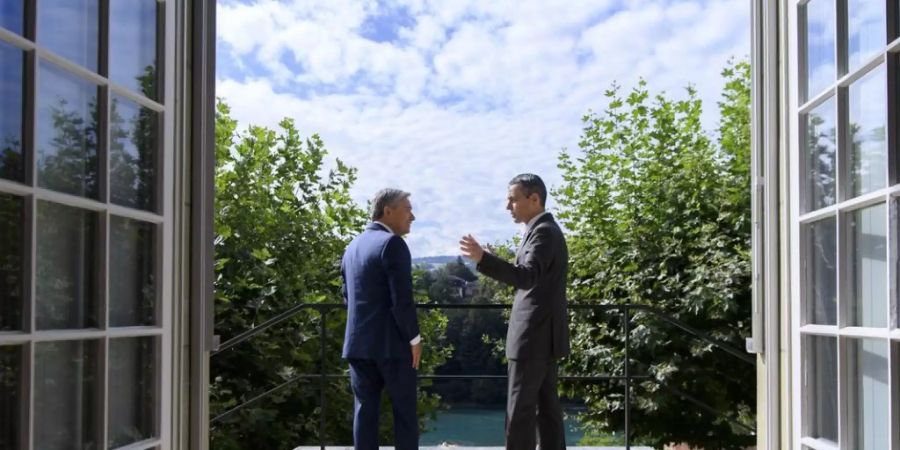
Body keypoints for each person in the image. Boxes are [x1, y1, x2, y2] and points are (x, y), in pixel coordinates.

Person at [459, 173, 569, 450]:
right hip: (544, 335)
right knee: (547, 410)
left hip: (533, 336)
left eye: (513, 199)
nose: (508, 206)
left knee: (519, 411)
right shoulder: (544, 230)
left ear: (534, 199)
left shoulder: (543, 232)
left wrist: (483, 258)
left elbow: (526, 277)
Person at [341, 188, 422, 450]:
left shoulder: (352, 246)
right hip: (392, 347)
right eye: (407, 209)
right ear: (388, 211)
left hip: (358, 344)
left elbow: (347, 295)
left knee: (364, 412)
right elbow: (402, 300)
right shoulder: (393, 244)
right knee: (405, 414)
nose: (413, 216)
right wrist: (414, 338)